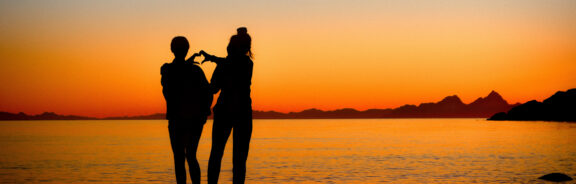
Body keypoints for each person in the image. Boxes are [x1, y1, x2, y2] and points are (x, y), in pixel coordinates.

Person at [201, 27, 254, 184]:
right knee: (239, 159)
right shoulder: (246, 63)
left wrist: (201, 81)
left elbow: (213, 88)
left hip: (224, 111)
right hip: (242, 112)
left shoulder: (229, 64)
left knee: (216, 153)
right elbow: (233, 65)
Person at [161, 36, 213, 184]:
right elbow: (208, 92)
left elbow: (175, 71)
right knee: (191, 155)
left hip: (177, 120)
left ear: (172, 49)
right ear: (187, 49)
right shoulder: (195, 71)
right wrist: (205, 112)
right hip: (195, 120)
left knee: (179, 158)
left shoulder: (167, 70)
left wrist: (203, 113)